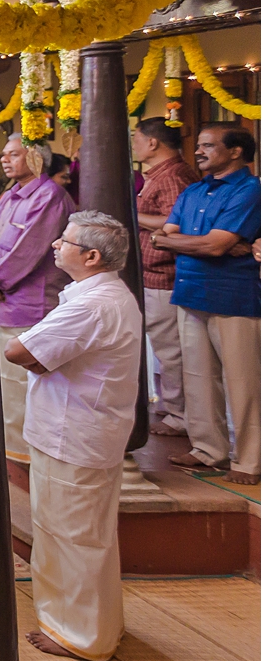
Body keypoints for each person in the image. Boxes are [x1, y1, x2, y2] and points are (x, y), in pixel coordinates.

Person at [3, 212, 142, 661]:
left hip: (75, 434)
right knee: (81, 534)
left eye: (64, 241)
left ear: (92, 256)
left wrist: (38, 358)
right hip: (79, 431)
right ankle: (91, 624)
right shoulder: (105, 295)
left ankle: (81, 636)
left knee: (74, 536)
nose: (55, 246)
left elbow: (19, 350)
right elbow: (38, 354)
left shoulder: (92, 304)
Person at [156, 125, 261, 484]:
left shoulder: (250, 190)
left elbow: (213, 246)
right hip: (190, 291)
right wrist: (211, 244)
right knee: (197, 378)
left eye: (207, 146)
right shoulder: (193, 190)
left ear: (235, 151)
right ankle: (207, 449)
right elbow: (162, 236)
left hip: (234, 296)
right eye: (198, 145)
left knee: (243, 382)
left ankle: (249, 460)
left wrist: (208, 244)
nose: (198, 151)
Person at [0, 134, 76, 466]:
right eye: (4, 154)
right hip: (2, 301)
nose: (4, 159)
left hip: (30, 303)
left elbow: (29, 249)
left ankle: (25, 458)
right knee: (7, 385)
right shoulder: (11, 195)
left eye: (13, 154)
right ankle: (10, 452)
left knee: (25, 384)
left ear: (36, 159)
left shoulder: (49, 196)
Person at [132, 118, 203, 438]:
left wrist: (133, 214)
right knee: (163, 348)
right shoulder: (160, 174)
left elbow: (177, 222)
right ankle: (168, 404)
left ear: (153, 143)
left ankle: (179, 414)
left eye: (136, 139)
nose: (134, 145)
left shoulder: (173, 175)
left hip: (165, 274)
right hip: (154, 274)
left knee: (171, 350)